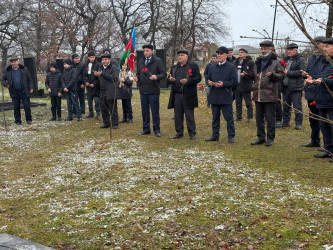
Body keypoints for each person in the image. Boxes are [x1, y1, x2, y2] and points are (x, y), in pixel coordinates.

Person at [251, 40, 284, 146]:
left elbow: (282, 75)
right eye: (262, 49)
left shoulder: (277, 61)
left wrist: (273, 75)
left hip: (270, 94)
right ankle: (261, 137)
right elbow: (254, 75)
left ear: (271, 49)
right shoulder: (258, 61)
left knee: (270, 118)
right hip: (258, 93)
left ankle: (270, 138)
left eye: (265, 48)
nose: (263, 50)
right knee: (259, 118)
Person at [306, 37, 333, 162]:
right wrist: (312, 79)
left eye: (327, 47)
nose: (325, 49)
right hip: (322, 98)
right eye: (325, 46)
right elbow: (320, 77)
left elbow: (328, 79)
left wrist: (323, 81)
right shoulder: (324, 61)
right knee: (325, 126)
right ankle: (328, 149)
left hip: (330, 100)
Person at [205, 46, 237, 143]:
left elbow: (235, 81)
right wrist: (209, 82)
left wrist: (224, 84)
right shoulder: (212, 66)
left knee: (228, 117)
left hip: (225, 95)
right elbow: (208, 78)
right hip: (214, 95)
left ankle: (231, 136)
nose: (219, 55)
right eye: (218, 53)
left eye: (221, 54)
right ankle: (215, 135)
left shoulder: (231, 67)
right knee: (215, 118)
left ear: (226, 55)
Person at [167, 49, 202, 140]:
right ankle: (179, 132)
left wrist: (188, 81)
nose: (180, 57)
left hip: (188, 94)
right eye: (178, 55)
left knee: (189, 115)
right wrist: (170, 80)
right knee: (177, 115)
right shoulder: (175, 67)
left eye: (182, 55)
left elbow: (198, 78)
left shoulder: (193, 66)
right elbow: (169, 78)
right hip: (177, 94)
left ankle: (192, 132)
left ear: (186, 56)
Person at [135, 44, 167, 137]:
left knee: (155, 111)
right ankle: (146, 129)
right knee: (144, 111)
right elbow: (138, 73)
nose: (145, 52)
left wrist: (156, 77)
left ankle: (156, 129)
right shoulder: (141, 61)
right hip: (143, 90)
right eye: (144, 51)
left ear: (152, 51)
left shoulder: (157, 61)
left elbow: (164, 73)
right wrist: (137, 77)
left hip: (153, 90)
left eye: (147, 51)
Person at [301, 36, 326, 147]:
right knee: (313, 118)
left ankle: (328, 145)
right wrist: (304, 75)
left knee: (324, 120)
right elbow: (309, 72)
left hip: (322, 92)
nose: (315, 46)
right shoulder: (311, 58)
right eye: (314, 44)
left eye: (318, 44)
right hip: (311, 92)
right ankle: (315, 140)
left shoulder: (327, 58)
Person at [281, 43, 307, 130]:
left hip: (296, 87)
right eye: (288, 49)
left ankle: (298, 123)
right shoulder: (285, 60)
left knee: (297, 107)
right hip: (285, 87)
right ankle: (285, 122)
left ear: (296, 50)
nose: (288, 51)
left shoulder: (300, 60)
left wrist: (288, 73)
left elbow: (301, 72)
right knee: (285, 106)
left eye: (291, 49)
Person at [2, 56, 34, 125]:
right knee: (16, 107)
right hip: (14, 92)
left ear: (18, 62)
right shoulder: (8, 70)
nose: (13, 63)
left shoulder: (24, 69)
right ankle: (18, 121)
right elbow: (3, 79)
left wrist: (31, 88)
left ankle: (29, 120)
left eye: (15, 62)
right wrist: (6, 84)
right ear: (10, 63)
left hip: (24, 91)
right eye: (12, 62)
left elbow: (29, 79)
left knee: (27, 106)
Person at [94, 53, 119, 129]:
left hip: (110, 90)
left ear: (109, 60)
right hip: (102, 90)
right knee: (103, 108)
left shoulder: (114, 67)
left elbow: (114, 78)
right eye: (103, 60)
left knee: (112, 108)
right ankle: (106, 123)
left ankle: (115, 123)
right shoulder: (100, 67)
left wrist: (103, 74)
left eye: (105, 59)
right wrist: (96, 75)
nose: (104, 61)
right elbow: (98, 78)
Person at [233, 48, 255, 122]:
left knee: (248, 103)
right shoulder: (235, 62)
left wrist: (245, 74)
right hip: (237, 86)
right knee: (238, 103)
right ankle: (239, 117)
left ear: (246, 54)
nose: (240, 53)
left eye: (242, 52)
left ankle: (250, 117)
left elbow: (253, 74)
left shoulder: (250, 63)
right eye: (239, 52)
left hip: (246, 86)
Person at [84, 51, 101, 119]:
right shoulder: (86, 65)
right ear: (88, 57)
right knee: (89, 100)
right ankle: (91, 113)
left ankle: (98, 113)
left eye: (93, 57)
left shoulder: (98, 64)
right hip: (88, 86)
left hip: (95, 86)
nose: (92, 58)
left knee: (96, 100)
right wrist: (86, 82)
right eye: (91, 57)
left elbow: (98, 76)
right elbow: (84, 75)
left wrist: (94, 84)